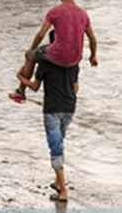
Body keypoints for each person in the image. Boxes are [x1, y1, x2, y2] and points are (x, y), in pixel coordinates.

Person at [9, 0, 97, 103]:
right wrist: (93, 56)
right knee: (74, 72)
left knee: (30, 56)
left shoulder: (55, 12)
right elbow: (92, 39)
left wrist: (31, 49)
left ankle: (20, 91)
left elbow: (40, 35)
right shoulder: (83, 14)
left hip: (58, 54)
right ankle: (70, 98)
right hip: (75, 57)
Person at [22, 49, 79, 203]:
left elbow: (34, 87)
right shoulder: (73, 62)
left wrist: (20, 77)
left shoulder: (45, 63)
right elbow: (75, 88)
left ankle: (64, 191)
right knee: (59, 144)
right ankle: (58, 182)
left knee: (55, 149)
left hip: (52, 109)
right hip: (69, 108)